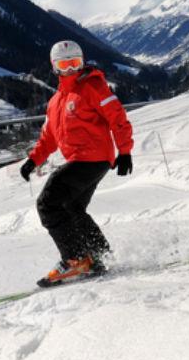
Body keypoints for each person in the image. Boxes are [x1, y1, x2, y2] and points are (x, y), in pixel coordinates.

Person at [19, 40, 134, 286]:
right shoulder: (56, 101)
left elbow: (118, 118)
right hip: (84, 160)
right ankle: (98, 255)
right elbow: (49, 137)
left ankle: (75, 259)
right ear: (55, 68)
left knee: (48, 204)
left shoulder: (94, 87)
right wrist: (33, 160)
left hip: (92, 157)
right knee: (72, 207)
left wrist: (125, 151)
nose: (71, 69)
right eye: (65, 64)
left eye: (75, 63)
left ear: (82, 63)